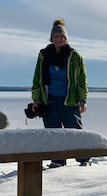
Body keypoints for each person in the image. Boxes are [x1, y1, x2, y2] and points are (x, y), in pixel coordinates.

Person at [31, 18, 89, 167]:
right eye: (55, 36)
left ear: (65, 38)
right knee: (53, 132)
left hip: (69, 99)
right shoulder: (44, 55)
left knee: (74, 130)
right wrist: (36, 98)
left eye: (61, 36)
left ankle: (83, 160)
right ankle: (57, 161)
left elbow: (82, 80)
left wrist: (83, 100)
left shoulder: (74, 56)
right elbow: (37, 78)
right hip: (49, 100)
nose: (58, 39)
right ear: (51, 38)